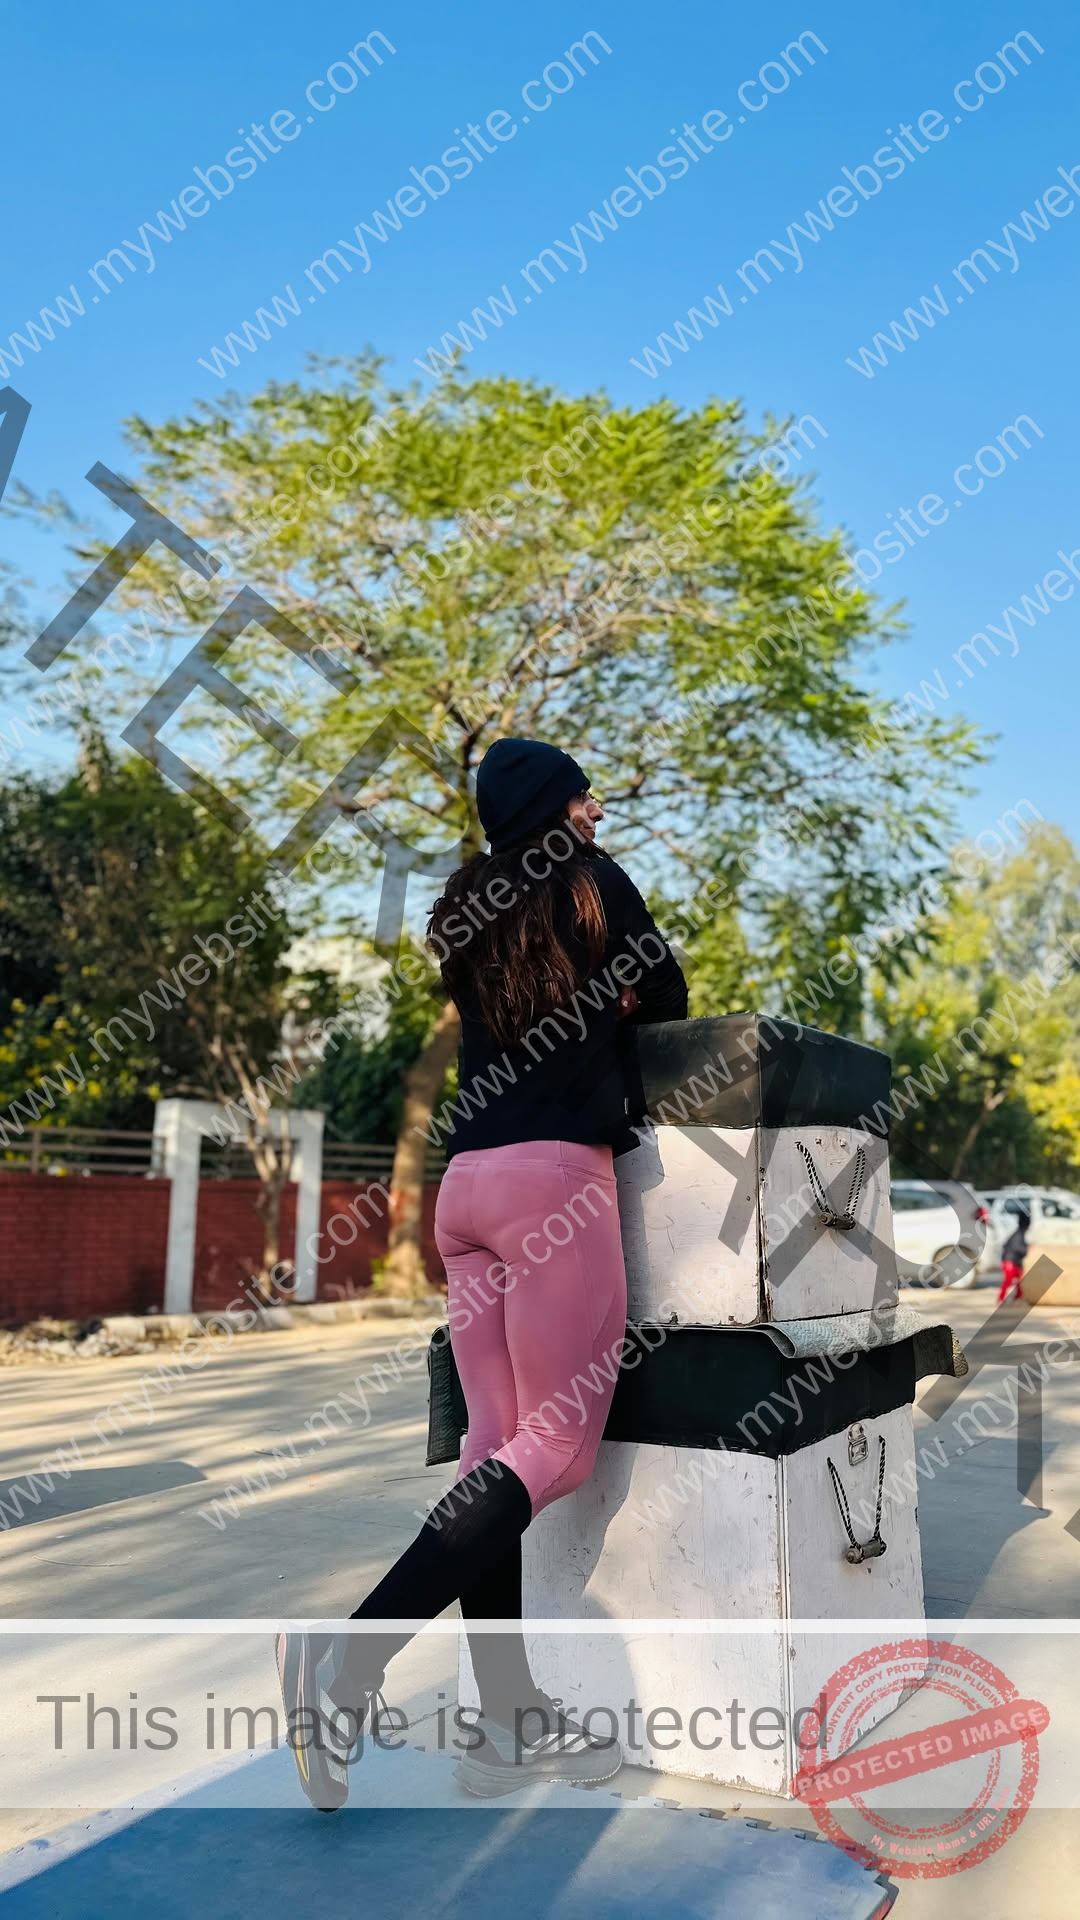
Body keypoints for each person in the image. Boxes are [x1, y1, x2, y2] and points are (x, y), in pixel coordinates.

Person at [277, 738, 688, 1808]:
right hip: (555, 1185)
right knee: (554, 1453)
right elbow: (673, 997)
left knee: (490, 1449)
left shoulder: (468, 908)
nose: (597, 808)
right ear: (558, 808)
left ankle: (505, 1716)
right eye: (583, 794)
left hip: (468, 1192)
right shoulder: (593, 883)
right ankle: (349, 1660)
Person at [998, 1205, 1030, 1303]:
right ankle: (1001, 1298)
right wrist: (1027, 1249)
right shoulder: (1018, 1235)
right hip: (1009, 1261)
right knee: (1008, 1280)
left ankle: (1017, 1297)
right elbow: (1018, 1248)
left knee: (1020, 1280)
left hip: (1014, 1261)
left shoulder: (1019, 1233)